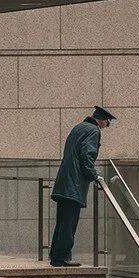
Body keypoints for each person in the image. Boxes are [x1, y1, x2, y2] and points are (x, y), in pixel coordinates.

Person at [49, 105, 116, 267]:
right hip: (74, 185)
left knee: (62, 221)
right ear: (101, 120)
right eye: (108, 123)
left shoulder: (79, 127)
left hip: (64, 182)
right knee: (69, 223)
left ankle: (56, 256)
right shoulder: (93, 131)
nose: (107, 126)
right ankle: (63, 257)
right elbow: (87, 156)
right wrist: (94, 175)